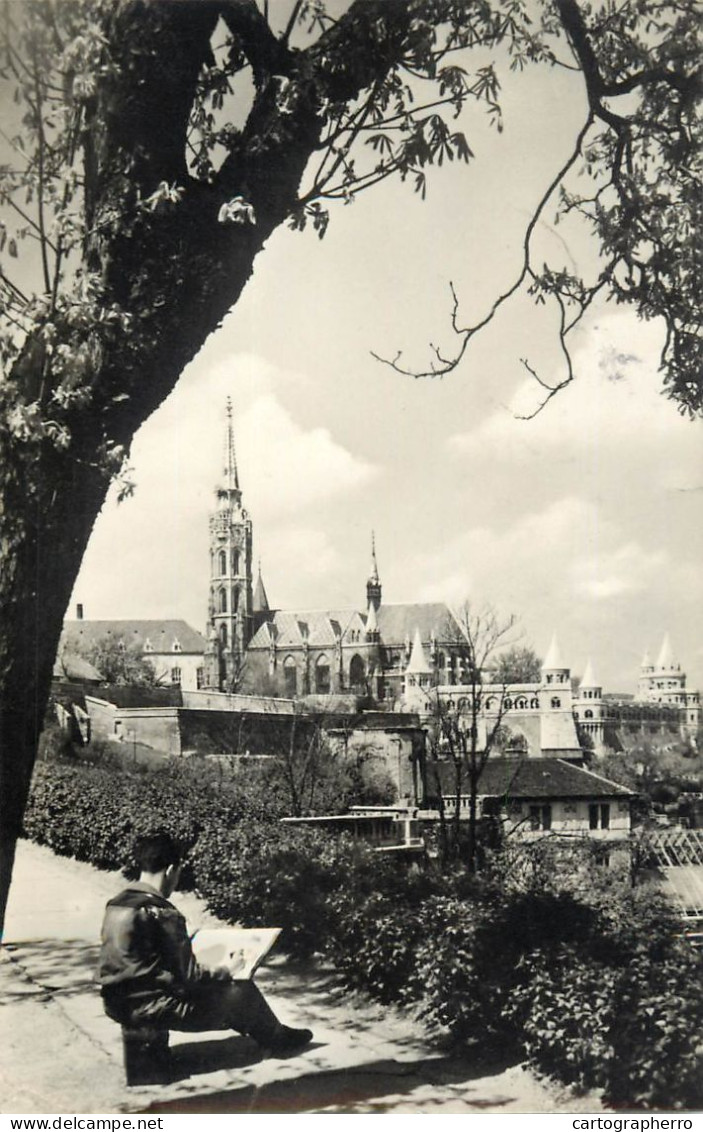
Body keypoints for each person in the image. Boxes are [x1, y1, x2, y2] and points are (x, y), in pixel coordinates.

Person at [98, 831, 313, 1057]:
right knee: (241, 991)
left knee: (169, 984)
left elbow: (137, 960)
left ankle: (152, 1052)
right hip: (149, 1007)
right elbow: (190, 978)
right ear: (171, 870)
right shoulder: (163, 912)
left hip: (115, 1003)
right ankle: (277, 1039)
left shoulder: (116, 904)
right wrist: (228, 970)